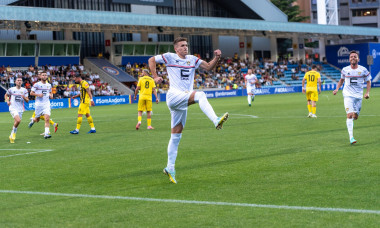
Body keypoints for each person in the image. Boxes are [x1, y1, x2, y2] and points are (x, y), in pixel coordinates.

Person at [148, 37, 229, 184]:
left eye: (186, 45)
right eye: (182, 46)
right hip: (173, 96)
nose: (186, 47)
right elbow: (151, 59)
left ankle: (169, 168)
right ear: (176, 48)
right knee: (200, 94)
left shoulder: (192, 59)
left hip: (182, 100)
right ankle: (216, 120)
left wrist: (217, 57)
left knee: (176, 137)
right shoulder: (169, 57)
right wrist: (155, 76)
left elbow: (209, 67)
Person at [333, 50, 371, 144]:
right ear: (349, 59)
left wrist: (367, 93)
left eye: (355, 56)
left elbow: (368, 81)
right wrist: (337, 89)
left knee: (355, 116)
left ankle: (350, 121)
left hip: (358, 96)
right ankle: (351, 138)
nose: (353, 58)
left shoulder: (363, 70)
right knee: (349, 115)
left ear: (358, 59)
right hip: (348, 95)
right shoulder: (345, 69)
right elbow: (341, 80)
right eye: (351, 57)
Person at [5, 77, 29, 143]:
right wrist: (7, 101)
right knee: (18, 120)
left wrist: (24, 97)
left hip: (20, 109)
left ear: (22, 82)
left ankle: (11, 136)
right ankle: (13, 135)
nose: (19, 81)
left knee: (16, 122)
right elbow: (6, 95)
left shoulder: (24, 90)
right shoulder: (11, 89)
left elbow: (27, 100)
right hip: (13, 108)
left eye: (20, 80)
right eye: (18, 80)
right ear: (15, 82)